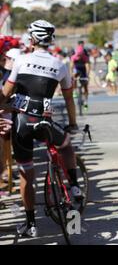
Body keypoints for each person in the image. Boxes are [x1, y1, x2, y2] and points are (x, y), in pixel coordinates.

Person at [0, 20, 82, 237]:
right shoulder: (60, 65)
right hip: (44, 120)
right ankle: (73, 184)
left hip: (22, 122)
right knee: (65, 145)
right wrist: (72, 123)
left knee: (27, 173)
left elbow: (5, 93)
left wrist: (4, 105)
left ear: (33, 38)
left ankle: (30, 223)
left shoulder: (22, 61)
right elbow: (69, 100)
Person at [70, 40, 91, 112]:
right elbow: (71, 66)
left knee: (85, 86)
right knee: (74, 77)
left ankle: (86, 101)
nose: (79, 57)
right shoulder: (74, 57)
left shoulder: (85, 57)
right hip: (77, 69)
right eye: (78, 55)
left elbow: (87, 66)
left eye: (80, 56)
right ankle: (75, 90)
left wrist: (87, 75)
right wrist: (71, 73)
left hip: (83, 70)